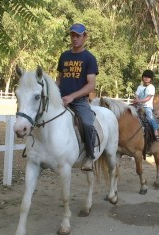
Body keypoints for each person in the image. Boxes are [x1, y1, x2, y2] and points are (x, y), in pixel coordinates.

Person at [56, 23, 98, 171]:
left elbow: (91, 85)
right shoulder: (64, 56)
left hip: (79, 102)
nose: (74, 39)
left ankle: (90, 156)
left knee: (87, 123)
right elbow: (60, 78)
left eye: (78, 35)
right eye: (72, 35)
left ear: (85, 37)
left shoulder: (89, 58)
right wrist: (54, 93)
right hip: (61, 100)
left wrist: (72, 97)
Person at [133, 70, 159, 141]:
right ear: (142, 77)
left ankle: (155, 132)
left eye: (148, 77)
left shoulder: (151, 87)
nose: (146, 78)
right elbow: (137, 95)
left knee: (150, 117)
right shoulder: (140, 87)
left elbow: (148, 98)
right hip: (138, 105)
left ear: (151, 79)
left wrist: (139, 101)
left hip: (147, 106)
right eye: (145, 76)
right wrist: (137, 100)